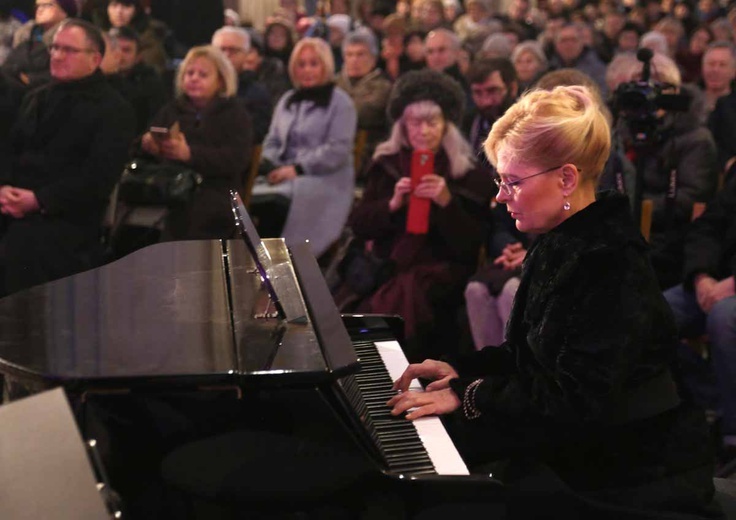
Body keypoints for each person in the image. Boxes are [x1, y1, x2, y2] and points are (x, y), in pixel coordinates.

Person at [387, 84, 718, 517]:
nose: (500, 196)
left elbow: (575, 400)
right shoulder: (562, 240)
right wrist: (461, 371)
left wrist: (471, 394)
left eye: (512, 182)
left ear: (566, 178)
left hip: (634, 471)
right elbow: (532, 355)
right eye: (499, 181)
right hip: (587, 443)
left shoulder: (609, 260)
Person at [342, 69, 493, 362]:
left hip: (439, 267)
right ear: (403, 126)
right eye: (415, 123)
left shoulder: (467, 175)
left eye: (431, 122)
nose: (423, 131)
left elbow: (472, 244)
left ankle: (397, 373)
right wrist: (392, 204)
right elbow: (359, 225)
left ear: (445, 126)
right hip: (385, 263)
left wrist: (447, 203)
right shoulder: (386, 165)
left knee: (407, 294)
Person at [0, 19, 135, 297]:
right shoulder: (35, 97)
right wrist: (4, 188)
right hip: (14, 208)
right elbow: (10, 152)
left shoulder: (113, 110)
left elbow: (97, 180)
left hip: (65, 220)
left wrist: (38, 200)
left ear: (94, 59)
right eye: (55, 48)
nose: (58, 55)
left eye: (69, 50)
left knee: (22, 248)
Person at [252, 37, 356, 258]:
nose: (307, 70)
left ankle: (280, 266)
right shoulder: (288, 99)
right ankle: (261, 265)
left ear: (325, 66)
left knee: (274, 205)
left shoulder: (340, 102)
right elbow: (273, 140)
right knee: (247, 201)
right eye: (301, 64)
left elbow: (337, 150)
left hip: (324, 177)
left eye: (313, 63)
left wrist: (297, 169)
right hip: (283, 173)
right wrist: (271, 164)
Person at [139, 45, 252, 241]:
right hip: (170, 183)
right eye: (189, 73)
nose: (194, 78)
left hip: (214, 189)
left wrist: (190, 154)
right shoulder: (173, 108)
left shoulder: (234, 113)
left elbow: (236, 159)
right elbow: (146, 145)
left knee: (194, 214)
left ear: (221, 81)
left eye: (203, 74)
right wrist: (150, 145)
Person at [664, 175, 736, 472]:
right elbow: (708, 227)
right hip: (714, 280)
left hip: (730, 289)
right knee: (652, 315)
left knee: (724, 319)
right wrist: (702, 276)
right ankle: (709, 403)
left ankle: (732, 438)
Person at [336, 28, 392, 180]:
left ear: (373, 59)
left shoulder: (383, 86)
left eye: (360, 54)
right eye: (350, 54)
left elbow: (364, 113)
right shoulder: (333, 83)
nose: (354, 60)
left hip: (367, 156)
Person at [211, 26, 272, 144]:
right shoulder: (198, 87)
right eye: (221, 49)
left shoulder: (257, 93)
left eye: (233, 50)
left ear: (246, 55)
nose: (226, 55)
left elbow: (255, 134)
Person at [1, 0, 76, 94]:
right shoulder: (25, 35)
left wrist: (30, 79)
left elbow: (70, 71)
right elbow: (9, 65)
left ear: (64, 11)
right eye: (38, 6)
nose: (40, 10)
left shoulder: (75, 38)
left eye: (48, 5)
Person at [105, 26, 165, 135]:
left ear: (138, 56)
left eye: (126, 50)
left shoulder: (150, 83)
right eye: (115, 48)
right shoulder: (95, 79)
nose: (119, 54)